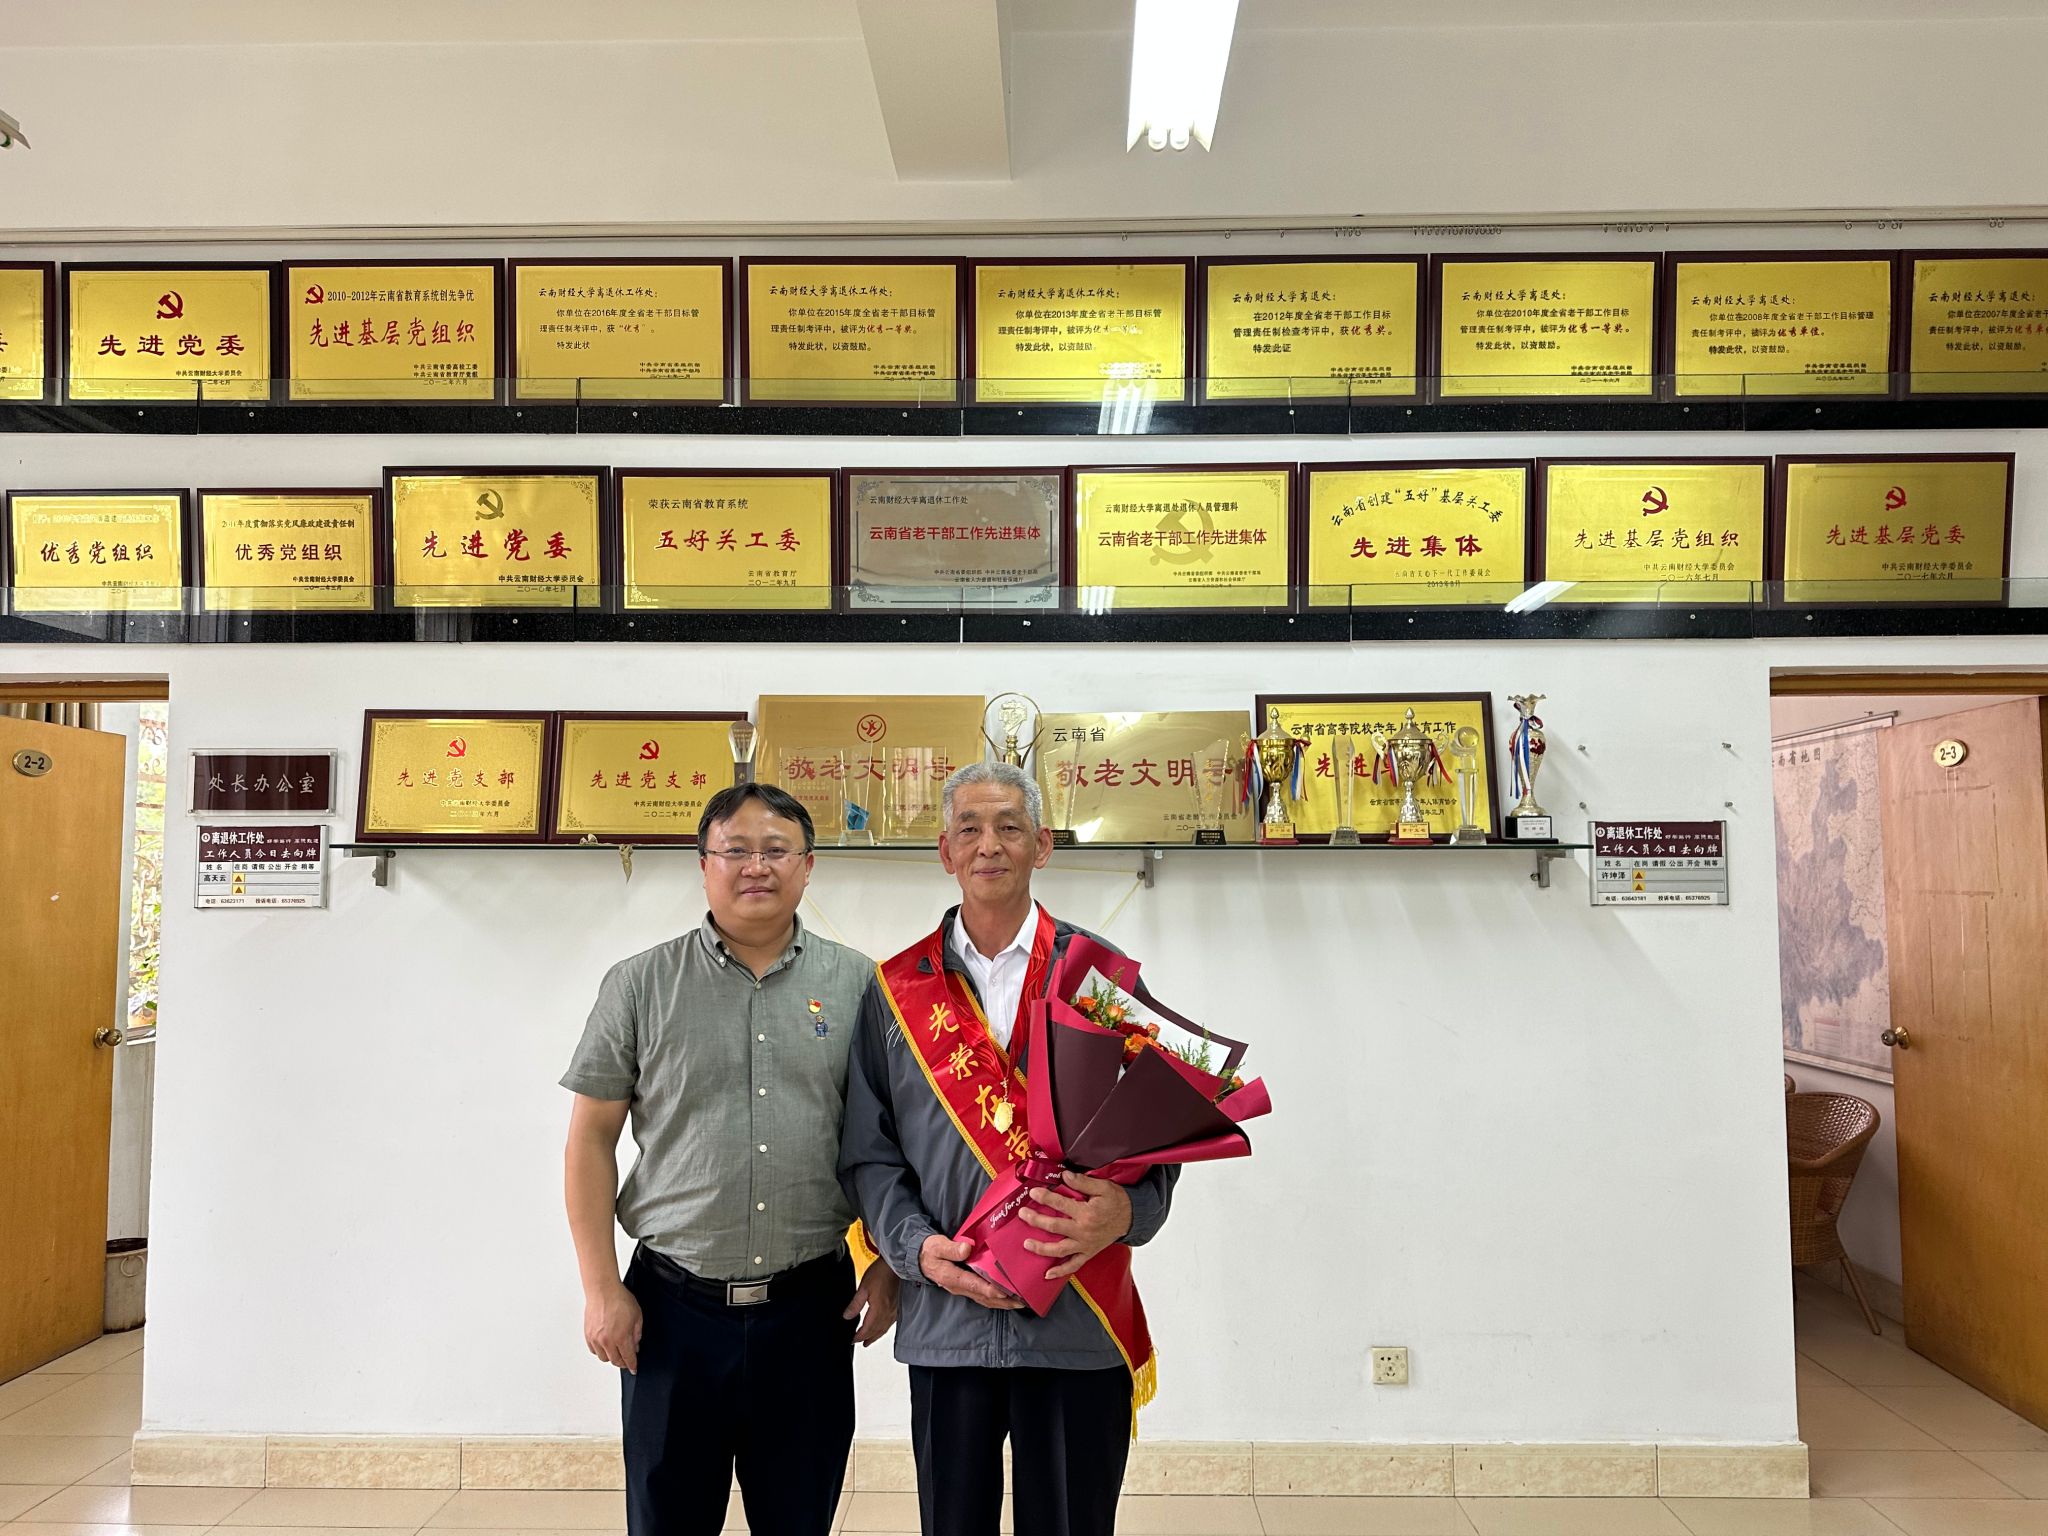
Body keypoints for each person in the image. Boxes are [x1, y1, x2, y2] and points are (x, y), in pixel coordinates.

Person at [839, 761, 1179, 1536]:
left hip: (1076, 1312)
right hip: (947, 1319)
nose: (988, 845)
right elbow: (868, 1153)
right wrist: (917, 1251)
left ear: (1042, 845)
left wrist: (1128, 1210)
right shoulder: (896, 990)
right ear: (945, 851)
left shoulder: (1099, 975)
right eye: (969, 829)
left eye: (1009, 828)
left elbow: (1164, 1123)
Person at [562, 782, 898, 1536]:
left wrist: (892, 1264)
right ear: (703, 864)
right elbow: (589, 1139)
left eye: (776, 850)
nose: (757, 866)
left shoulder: (861, 985)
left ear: (807, 865)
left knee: (799, 1520)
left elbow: (893, 1139)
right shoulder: (640, 984)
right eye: (736, 850)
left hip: (810, 1311)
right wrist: (600, 1287)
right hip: (671, 1313)